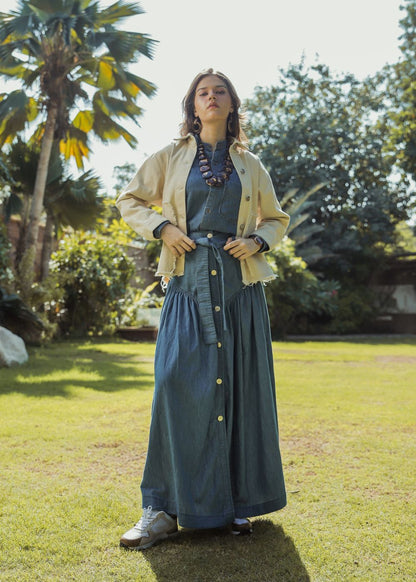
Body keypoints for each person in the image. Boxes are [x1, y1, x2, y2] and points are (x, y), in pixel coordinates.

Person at [116, 68, 290, 550]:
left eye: (219, 93)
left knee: (238, 389)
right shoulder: (170, 157)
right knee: (175, 385)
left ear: (232, 105)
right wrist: (162, 229)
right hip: (187, 281)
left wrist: (258, 239)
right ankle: (161, 510)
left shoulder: (250, 164)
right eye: (202, 93)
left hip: (239, 287)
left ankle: (234, 505)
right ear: (192, 107)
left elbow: (275, 218)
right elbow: (128, 199)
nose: (211, 98)